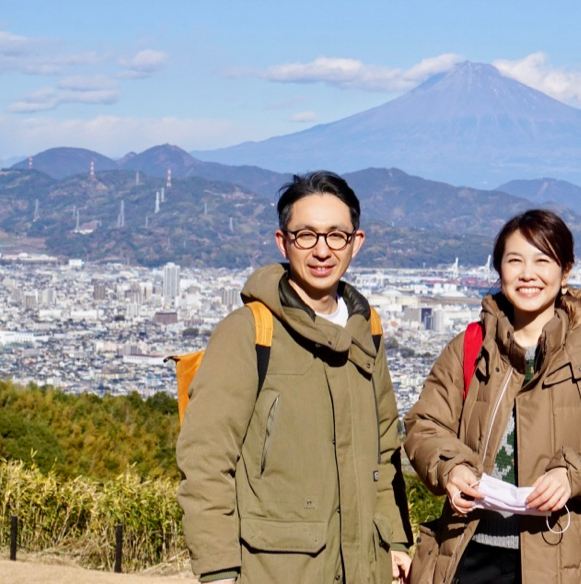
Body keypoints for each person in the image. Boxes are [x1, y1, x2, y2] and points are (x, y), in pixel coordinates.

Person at [177, 171, 413, 583]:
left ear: (356, 242)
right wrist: (217, 569)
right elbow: (206, 460)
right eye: (306, 235)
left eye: (336, 235)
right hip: (273, 569)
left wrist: (393, 540)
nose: (322, 249)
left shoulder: (367, 329)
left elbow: (384, 450)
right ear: (282, 241)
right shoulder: (249, 331)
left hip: (363, 569)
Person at [404, 210, 581, 583]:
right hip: (468, 554)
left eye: (543, 260)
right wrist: (451, 468)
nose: (527, 274)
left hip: (563, 559)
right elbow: (424, 425)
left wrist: (573, 475)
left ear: (565, 270)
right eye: (514, 260)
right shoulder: (471, 347)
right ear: (499, 269)